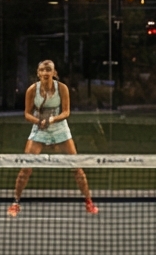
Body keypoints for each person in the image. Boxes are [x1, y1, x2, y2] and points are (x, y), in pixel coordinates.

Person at [9, 58, 97, 217]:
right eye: (42, 70)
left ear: (54, 72)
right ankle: (15, 202)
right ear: (38, 73)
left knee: (76, 167)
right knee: (26, 168)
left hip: (60, 128)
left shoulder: (62, 88)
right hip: (39, 129)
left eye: (48, 70)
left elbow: (66, 112)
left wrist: (52, 120)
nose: (45, 73)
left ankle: (89, 202)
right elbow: (27, 114)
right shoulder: (32, 90)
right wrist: (38, 121)